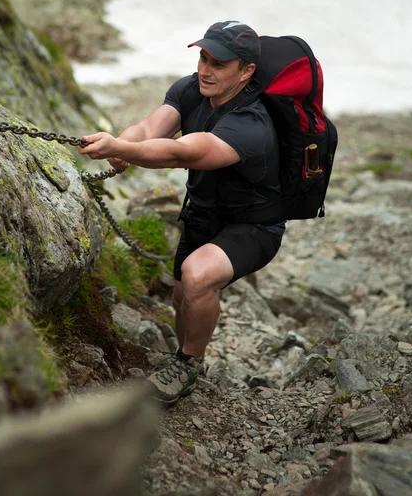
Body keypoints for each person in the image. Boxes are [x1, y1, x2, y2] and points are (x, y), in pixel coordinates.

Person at [78, 21, 285, 404]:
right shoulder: (192, 89)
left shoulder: (251, 124)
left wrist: (124, 150)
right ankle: (186, 354)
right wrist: (123, 143)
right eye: (203, 57)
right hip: (203, 213)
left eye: (219, 64)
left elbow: (181, 152)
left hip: (253, 226)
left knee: (198, 277)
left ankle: (189, 364)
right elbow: (152, 128)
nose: (205, 69)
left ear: (246, 71)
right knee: (181, 299)